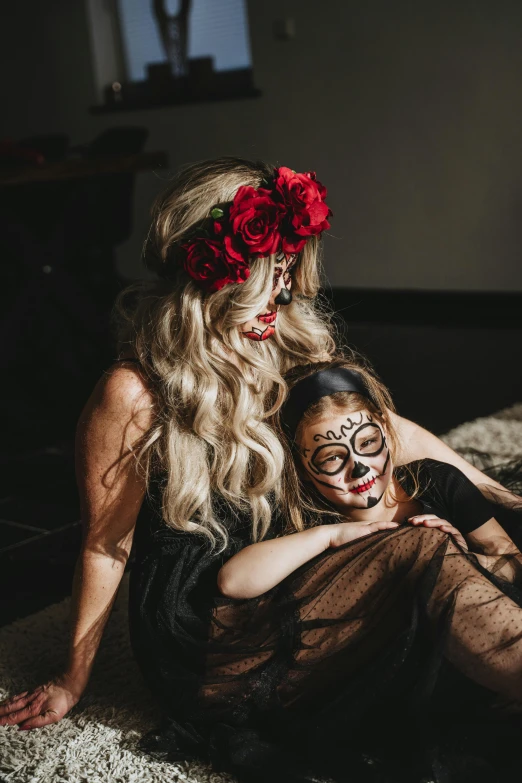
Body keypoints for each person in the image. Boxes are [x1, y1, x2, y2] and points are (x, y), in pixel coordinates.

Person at [0, 158, 517, 782]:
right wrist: (71, 676)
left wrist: (499, 496)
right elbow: (107, 545)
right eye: (264, 277)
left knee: (474, 528)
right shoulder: (133, 392)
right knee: (416, 551)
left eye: (288, 273)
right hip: (211, 629)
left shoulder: (287, 342)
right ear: (211, 279)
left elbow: (392, 432)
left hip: (296, 560)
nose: (282, 294)